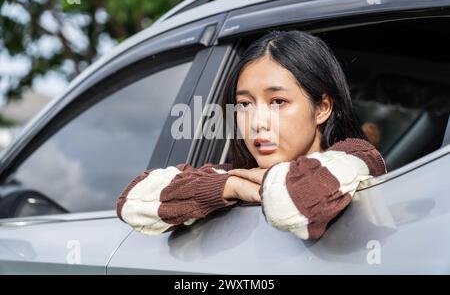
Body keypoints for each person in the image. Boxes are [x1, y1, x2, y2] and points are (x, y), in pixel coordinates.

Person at [116, 30, 387, 240]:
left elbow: (293, 203)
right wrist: (231, 185)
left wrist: (253, 182)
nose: (257, 122)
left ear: (322, 108)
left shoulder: (356, 157)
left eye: (278, 101)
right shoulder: (240, 175)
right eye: (244, 104)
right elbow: (133, 201)